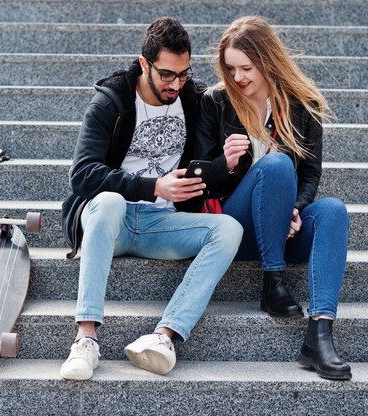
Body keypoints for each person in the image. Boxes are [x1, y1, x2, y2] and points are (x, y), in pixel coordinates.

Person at [59, 17, 243, 381]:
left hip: (163, 223)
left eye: (183, 74)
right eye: (166, 75)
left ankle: (164, 336)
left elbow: (210, 168)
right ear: (144, 64)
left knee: (228, 230)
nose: (175, 84)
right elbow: (82, 174)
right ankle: (86, 340)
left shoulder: (193, 100)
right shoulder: (110, 103)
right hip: (113, 221)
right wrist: (154, 187)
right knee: (109, 202)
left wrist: (227, 163)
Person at [192, 16, 352, 380]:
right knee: (277, 165)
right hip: (236, 227)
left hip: (283, 229)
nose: (238, 78)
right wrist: (226, 164)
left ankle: (319, 335)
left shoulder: (302, 103)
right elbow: (201, 179)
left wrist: (294, 210)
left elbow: (310, 174)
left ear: (267, 61)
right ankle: (272, 281)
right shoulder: (215, 102)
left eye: (246, 68)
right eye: (230, 68)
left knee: (333, 211)